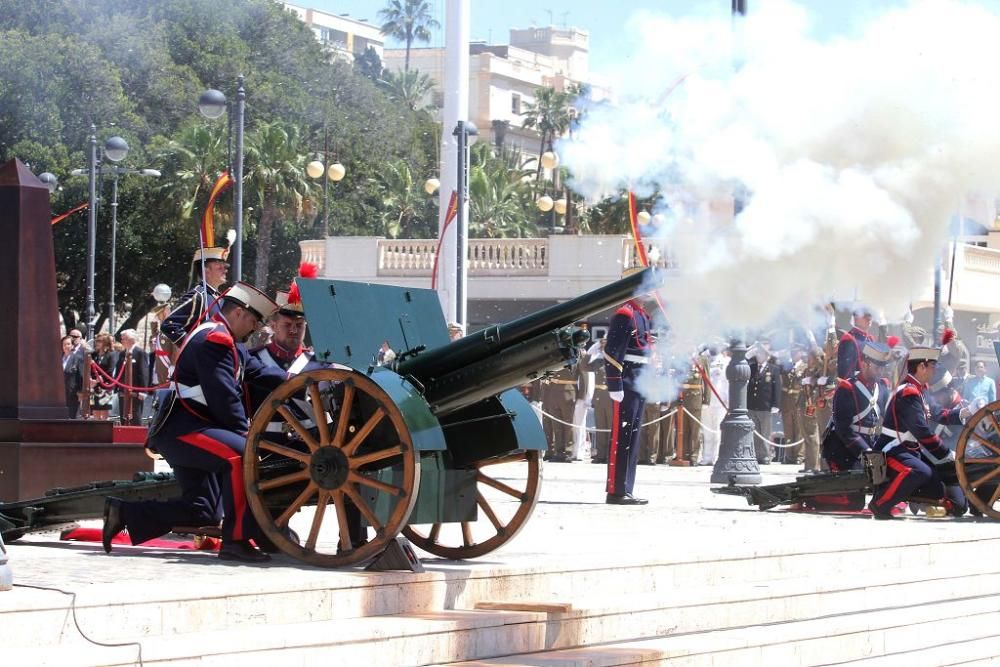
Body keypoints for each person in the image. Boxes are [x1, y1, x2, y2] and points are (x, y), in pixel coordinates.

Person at [103, 282, 289, 562]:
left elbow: (260, 373)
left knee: (203, 511)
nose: (253, 328)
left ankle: (124, 512)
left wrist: (297, 379)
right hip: (184, 429)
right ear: (238, 313)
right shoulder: (215, 340)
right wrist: (246, 435)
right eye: (252, 320)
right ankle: (236, 541)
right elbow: (223, 397)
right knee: (241, 455)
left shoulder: (230, 342)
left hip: (196, 428)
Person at [869, 343, 970, 520]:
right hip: (892, 450)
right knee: (918, 472)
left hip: (909, 450)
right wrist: (945, 453)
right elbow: (922, 431)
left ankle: (906, 494)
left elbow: (940, 414)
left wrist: (964, 413)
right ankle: (880, 504)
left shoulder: (920, 391)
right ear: (921, 367)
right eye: (932, 366)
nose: (933, 371)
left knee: (938, 489)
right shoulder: (908, 392)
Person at [805, 341, 891, 511]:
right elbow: (844, 429)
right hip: (842, 448)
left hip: (868, 446)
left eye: (883, 367)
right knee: (853, 502)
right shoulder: (847, 388)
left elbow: (886, 421)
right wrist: (865, 452)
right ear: (865, 363)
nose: (880, 371)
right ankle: (811, 496)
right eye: (877, 367)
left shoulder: (882, 388)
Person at [603, 282, 654, 505]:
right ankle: (616, 491)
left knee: (632, 439)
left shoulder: (643, 315)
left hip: (639, 380)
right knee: (621, 438)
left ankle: (626, 488)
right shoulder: (625, 314)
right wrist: (615, 385)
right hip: (627, 381)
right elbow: (613, 352)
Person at [160, 246, 230, 355]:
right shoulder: (198, 296)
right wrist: (194, 350)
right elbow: (169, 325)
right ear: (206, 270)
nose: (225, 270)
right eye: (219, 267)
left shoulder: (220, 298)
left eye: (224, 266)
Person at [747, 341, 782, 464]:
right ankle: (756, 455)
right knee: (755, 433)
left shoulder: (773, 369)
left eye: (761, 354)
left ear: (766, 356)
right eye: (758, 354)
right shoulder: (751, 368)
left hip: (765, 406)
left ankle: (766, 456)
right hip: (752, 405)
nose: (758, 356)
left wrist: (776, 404)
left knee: (765, 433)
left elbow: (777, 388)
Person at [699, 347, 728, 466]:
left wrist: (728, 400)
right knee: (706, 431)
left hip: (719, 400)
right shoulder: (703, 359)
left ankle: (715, 458)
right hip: (706, 401)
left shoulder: (725, 361)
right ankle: (706, 458)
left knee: (716, 432)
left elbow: (727, 382)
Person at [114, 329, 149, 425]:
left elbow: (143, 372)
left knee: (135, 416)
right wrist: (116, 387)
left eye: (124, 339)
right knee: (123, 417)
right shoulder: (122, 353)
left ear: (131, 340)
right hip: (123, 390)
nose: (121, 341)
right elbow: (119, 371)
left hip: (135, 391)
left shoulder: (140, 352)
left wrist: (143, 391)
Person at [837, 307, 875, 380]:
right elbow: (846, 375)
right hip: (857, 387)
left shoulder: (869, 339)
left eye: (870, 315)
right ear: (855, 318)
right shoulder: (849, 339)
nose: (869, 317)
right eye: (864, 314)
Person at [90, 332, 119, 420]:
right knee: (95, 409)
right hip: (94, 387)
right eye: (96, 341)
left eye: (99, 341)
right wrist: (91, 380)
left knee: (104, 410)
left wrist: (98, 380)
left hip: (106, 386)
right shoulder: (94, 355)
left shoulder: (111, 354)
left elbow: (110, 370)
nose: (97, 343)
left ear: (105, 343)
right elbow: (89, 369)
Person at [61, 335, 83, 418]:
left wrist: (80, 391)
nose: (66, 346)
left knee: (72, 416)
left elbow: (81, 376)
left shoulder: (77, 358)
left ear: (72, 345)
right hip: (60, 393)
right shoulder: (59, 358)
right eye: (64, 344)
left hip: (73, 392)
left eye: (68, 344)